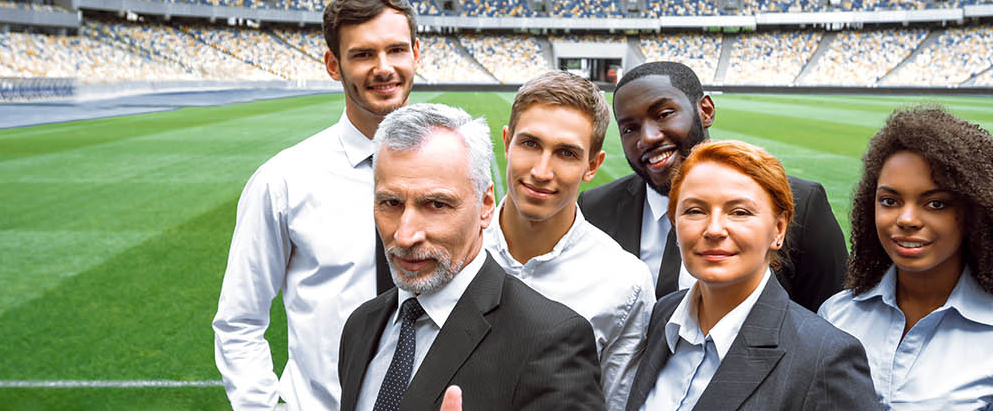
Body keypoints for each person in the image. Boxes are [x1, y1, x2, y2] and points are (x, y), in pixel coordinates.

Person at [211, 0, 421, 409]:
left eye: (396, 49)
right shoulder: (284, 180)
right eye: (363, 54)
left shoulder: (456, 171)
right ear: (333, 65)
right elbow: (239, 321)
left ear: (416, 53)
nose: (384, 68)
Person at [338, 103, 605, 411]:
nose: (405, 235)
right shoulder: (362, 325)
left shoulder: (551, 342)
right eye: (391, 203)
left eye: (436, 205)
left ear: (485, 204)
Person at [817, 106, 993, 410]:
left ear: (976, 213)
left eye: (935, 203)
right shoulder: (836, 316)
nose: (906, 219)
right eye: (889, 201)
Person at [625, 140, 878, 410]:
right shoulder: (663, 315)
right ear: (675, 223)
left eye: (739, 212)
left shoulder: (825, 358)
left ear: (778, 229)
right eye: (695, 211)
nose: (714, 229)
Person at [578, 61, 846, 312]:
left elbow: (830, 322)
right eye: (629, 129)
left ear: (705, 111)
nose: (647, 138)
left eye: (664, 114)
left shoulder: (798, 203)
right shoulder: (596, 209)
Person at [483, 71, 654, 411]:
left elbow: (614, 404)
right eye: (530, 144)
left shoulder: (625, 283)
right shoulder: (454, 246)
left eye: (566, 153)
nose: (542, 171)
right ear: (506, 142)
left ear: (593, 165)